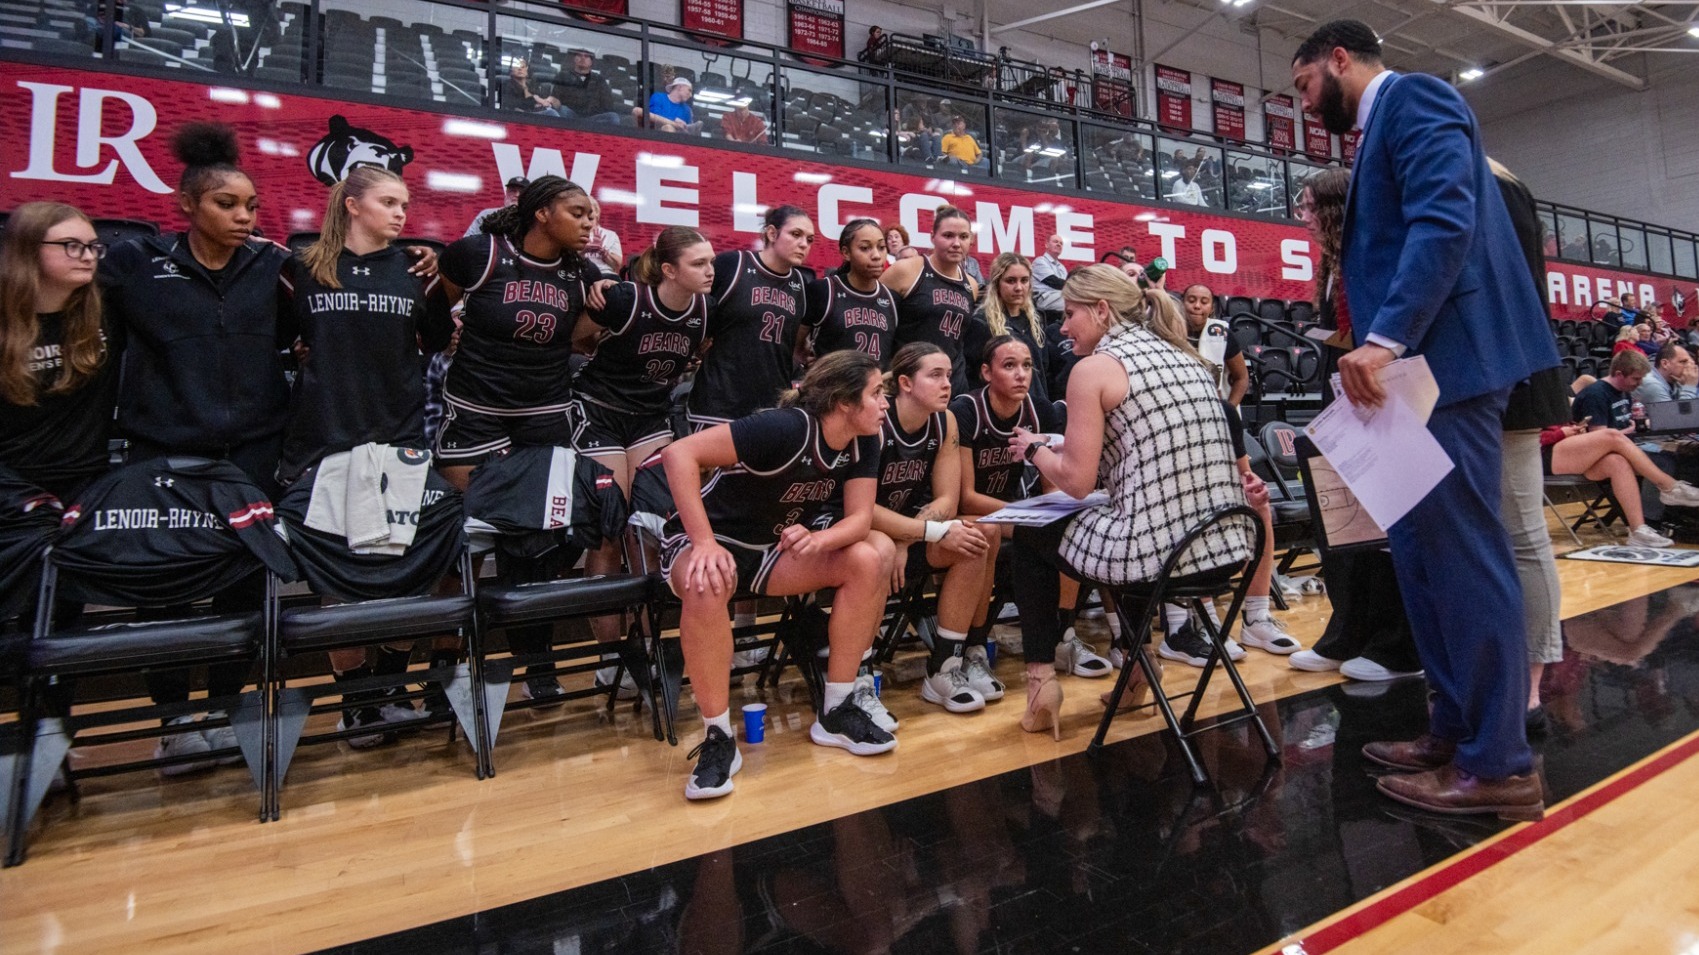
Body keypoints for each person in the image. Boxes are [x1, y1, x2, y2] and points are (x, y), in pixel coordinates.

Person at [1292, 19, 1562, 819]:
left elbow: (1445, 219)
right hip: (1415, 372)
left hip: (1444, 366)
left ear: (1338, 59)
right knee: (1419, 556)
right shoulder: (1379, 130)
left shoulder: (1415, 98)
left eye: (1306, 86)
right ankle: (1452, 729)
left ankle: (1500, 761)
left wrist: (1381, 337)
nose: (1307, 105)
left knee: (1464, 555)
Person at [1004, 265, 1254, 738]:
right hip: (1225, 553)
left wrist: (1036, 451)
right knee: (1120, 523)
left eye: (1070, 314)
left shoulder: (1094, 368)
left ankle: (1041, 685)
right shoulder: (1186, 357)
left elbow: (1076, 482)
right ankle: (1141, 666)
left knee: (1029, 535)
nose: (1062, 327)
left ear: (1101, 311)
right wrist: (1061, 445)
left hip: (1159, 559)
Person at [660, 351, 897, 800]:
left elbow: (860, 519)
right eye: (876, 393)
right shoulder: (784, 427)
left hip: (772, 550)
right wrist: (705, 543)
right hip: (712, 539)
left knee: (866, 559)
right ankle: (718, 739)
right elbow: (678, 454)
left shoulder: (866, 439)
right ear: (845, 402)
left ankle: (838, 708)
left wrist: (819, 541)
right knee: (706, 582)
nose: (885, 404)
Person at [277, 166, 456, 743]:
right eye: (388, 202)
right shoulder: (302, 271)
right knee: (340, 581)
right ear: (352, 205)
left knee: (408, 574)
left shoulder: (416, 272)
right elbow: (285, 343)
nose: (401, 213)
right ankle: (357, 704)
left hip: (400, 440)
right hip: (325, 440)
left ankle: (389, 686)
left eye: (404, 203)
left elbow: (434, 343)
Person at [432, 176, 610, 702]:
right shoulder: (478, 255)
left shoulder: (585, 274)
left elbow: (579, 338)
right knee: (462, 545)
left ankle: (536, 666)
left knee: (535, 546)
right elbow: (435, 313)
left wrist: (601, 308)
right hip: (475, 414)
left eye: (592, 215)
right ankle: (443, 669)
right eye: (577, 212)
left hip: (543, 416)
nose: (588, 223)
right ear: (541, 213)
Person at [869, 343, 997, 716]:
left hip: (914, 532)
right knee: (877, 545)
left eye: (949, 374)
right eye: (935, 375)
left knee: (979, 534)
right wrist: (904, 536)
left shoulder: (945, 421)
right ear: (906, 383)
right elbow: (859, 508)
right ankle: (857, 677)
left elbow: (948, 500)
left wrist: (909, 536)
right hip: (864, 531)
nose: (948, 383)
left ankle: (946, 666)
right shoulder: (878, 421)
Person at [952, 336, 1086, 685]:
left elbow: (1051, 482)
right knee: (995, 532)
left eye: (1026, 365)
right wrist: (1028, 514)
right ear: (986, 372)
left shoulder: (1039, 409)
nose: (1020, 374)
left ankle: (1063, 636)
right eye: (1009, 366)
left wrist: (1051, 509)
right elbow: (964, 497)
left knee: (1068, 522)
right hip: (965, 511)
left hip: (1009, 511)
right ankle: (975, 649)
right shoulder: (965, 410)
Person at [0, 202, 119, 505]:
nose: (89, 256)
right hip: (12, 487)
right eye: (71, 246)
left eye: (94, 246)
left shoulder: (108, 310)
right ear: (27, 249)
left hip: (87, 484)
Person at [686, 205, 816, 429]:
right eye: (796, 234)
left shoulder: (803, 285)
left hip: (771, 408)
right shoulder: (732, 265)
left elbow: (795, 344)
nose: (804, 244)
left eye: (810, 239)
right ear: (772, 233)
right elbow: (685, 302)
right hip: (719, 405)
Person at [1542, 422, 1697, 547]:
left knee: (1617, 462)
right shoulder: (1526, 392)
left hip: (1562, 447)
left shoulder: (1549, 393)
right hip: (1536, 455)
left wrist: (1575, 429)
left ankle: (1638, 531)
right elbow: (1524, 438)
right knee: (1612, 435)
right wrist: (1561, 433)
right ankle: (1669, 487)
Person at [883, 205, 978, 391]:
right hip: (909, 382)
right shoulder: (907, 270)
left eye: (963, 237)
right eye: (948, 235)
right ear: (932, 236)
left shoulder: (971, 285)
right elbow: (877, 325)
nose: (957, 243)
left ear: (971, 241)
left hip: (952, 384)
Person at [962, 253, 1051, 410]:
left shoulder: (1035, 321)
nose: (1018, 287)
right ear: (997, 284)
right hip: (1000, 412)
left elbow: (1042, 373)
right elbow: (975, 377)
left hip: (1036, 410)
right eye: (1011, 281)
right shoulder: (982, 323)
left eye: (1024, 280)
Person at [805, 219, 899, 366]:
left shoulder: (893, 299)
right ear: (846, 253)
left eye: (881, 247)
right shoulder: (825, 290)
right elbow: (797, 345)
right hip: (832, 388)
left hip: (876, 387)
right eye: (865, 248)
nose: (876, 255)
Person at [1180, 283, 1248, 406]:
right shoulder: (1170, 330)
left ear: (1211, 308)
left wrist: (1229, 410)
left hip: (1214, 407)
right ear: (1182, 303)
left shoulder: (1221, 333)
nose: (1197, 306)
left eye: (1204, 302)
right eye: (1191, 300)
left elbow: (1242, 378)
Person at [550, 48, 624, 125]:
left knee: (613, 117)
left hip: (592, 120)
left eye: (586, 56)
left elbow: (607, 105)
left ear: (591, 62)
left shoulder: (599, 80)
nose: (583, 58)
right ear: (574, 59)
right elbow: (555, 98)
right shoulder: (563, 76)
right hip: (569, 115)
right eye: (579, 55)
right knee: (562, 110)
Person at [635, 77, 701, 135]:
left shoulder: (687, 110)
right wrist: (674, 121)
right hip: (653, 134)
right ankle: (675, 125)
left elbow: (688, 133)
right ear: (680, 87)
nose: (690, 95)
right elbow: (653, 114)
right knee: (637, 110)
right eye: (689, 90)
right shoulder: (658, 97)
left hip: (677, 139)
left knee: (669, 128)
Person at [582, 197, 623, 279]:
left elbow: (617, 265)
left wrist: (604, 253)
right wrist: (584, 250)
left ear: (596, 212)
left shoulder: (611, 235)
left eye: (589, 209)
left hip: (606, 274)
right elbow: (568, 261)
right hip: (582, 274)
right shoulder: (575, 233)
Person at [1030, 234, 1068, 322]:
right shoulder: (1039, 261)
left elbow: (1066, 285)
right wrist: (1078, 287)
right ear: (1046, 245)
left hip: (1059, 296)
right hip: (1044, 299)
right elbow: (1055, 282)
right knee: (1075, 301)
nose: (1059, 244)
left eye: (1061, 243)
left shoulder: (1062, 267)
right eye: (1055, 242)